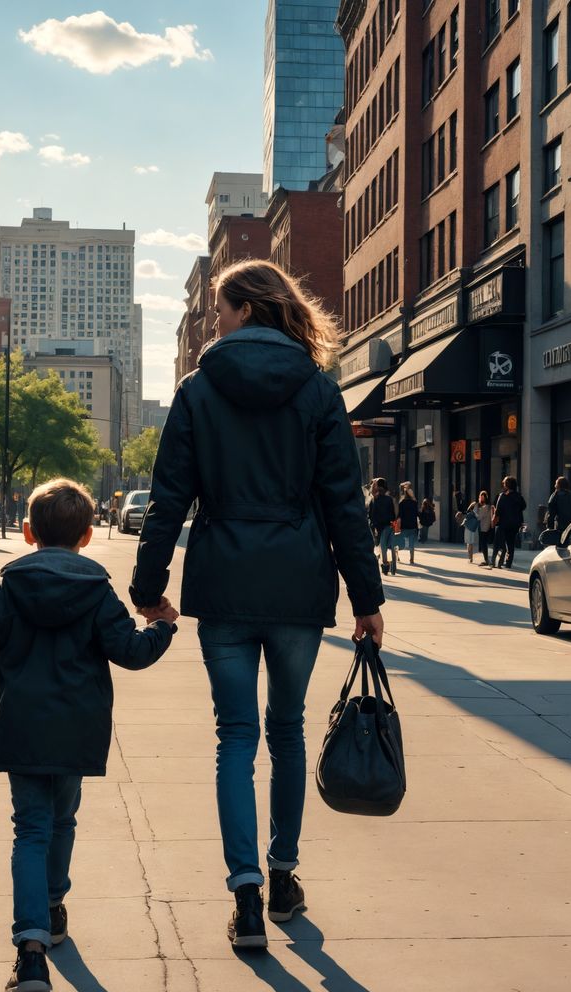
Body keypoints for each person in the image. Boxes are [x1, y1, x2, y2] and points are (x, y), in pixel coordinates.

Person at [129, 257, 385, 950]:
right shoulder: (316, 390)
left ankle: (244, 892)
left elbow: (169, 499)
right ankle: (283, 874)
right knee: (288, 730)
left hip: (225, 585)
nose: (215, 318)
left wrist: (147, 586)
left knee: (235, 737)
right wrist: (367, 597)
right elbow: (343, 504)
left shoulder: (197, 390)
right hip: (299, 585)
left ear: (248, 307)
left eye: (220, 307)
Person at [0, 479, 178, 992]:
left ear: (29, 532)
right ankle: (54, 904)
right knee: (63, 819)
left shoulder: (12, 587)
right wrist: (162, 625)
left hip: (22, 727)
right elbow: (131, 652)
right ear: (88, 535)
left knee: (30, 829)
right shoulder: (97, 592)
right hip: (78, 730)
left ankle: (30, 951)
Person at [492, 476, 525, 569]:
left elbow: (497, 511)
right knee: (511, 543)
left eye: (504, 483)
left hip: (504, 523)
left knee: (500, 543)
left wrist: (494, 521)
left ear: (507, 485)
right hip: (515, 523)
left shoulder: (503, 496)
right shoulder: (518, 496)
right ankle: (508, 562)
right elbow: (524, 506)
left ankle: (496, 562)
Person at [368, 478, 398, 574]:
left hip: (380, 527)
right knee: (390, 547)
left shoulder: (374, 499)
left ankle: (385, 565)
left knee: (382, 547)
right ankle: (391, 566)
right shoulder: (389, 499)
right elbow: (393, 514)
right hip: (389, 525)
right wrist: (395, 528)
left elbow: (372, 515)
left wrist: (373, 527)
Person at [397, 481, 419, 565]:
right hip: (412, 525)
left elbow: (399, 515)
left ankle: (397, 556)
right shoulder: (414, 503)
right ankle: (411, 559)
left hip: (403, 526)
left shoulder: (401, 503)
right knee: (411, 543)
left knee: (398, 541)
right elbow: (417, 513)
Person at [472, 489, 495, 565]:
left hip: (484, 526)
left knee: (483, 543)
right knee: (483, 543)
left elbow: (478, 517)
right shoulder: (484, 506)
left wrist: (476, 512)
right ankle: (487, 559)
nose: (482, 498)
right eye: (481, 497)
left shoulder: (486, 507)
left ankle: (486, 560)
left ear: (485, 497)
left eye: (483, 497)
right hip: (484, 526)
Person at [456, 497, 481, 562]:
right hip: (472, 529)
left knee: (469, 543)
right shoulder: (471, 513)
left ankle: (470, 557)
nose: (477, 508)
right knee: (470, 543)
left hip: (470, 529)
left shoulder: (471, 513)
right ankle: (470, 557)